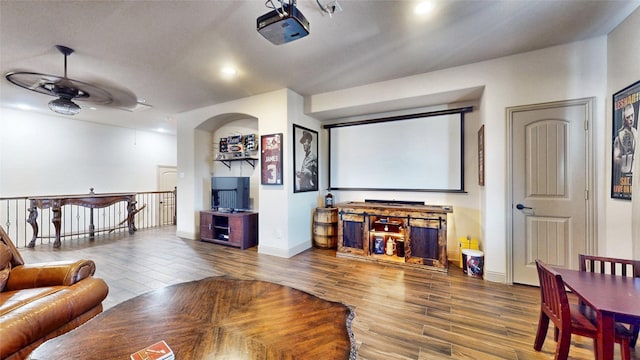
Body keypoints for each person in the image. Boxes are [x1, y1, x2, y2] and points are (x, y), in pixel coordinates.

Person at [613, 104, 637, 177]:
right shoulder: (619, 136)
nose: (631, 119)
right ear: (624, 119)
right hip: (624, 173)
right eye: (628, 117)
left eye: (632, 115)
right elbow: (616, 159)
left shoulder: (636, 132)